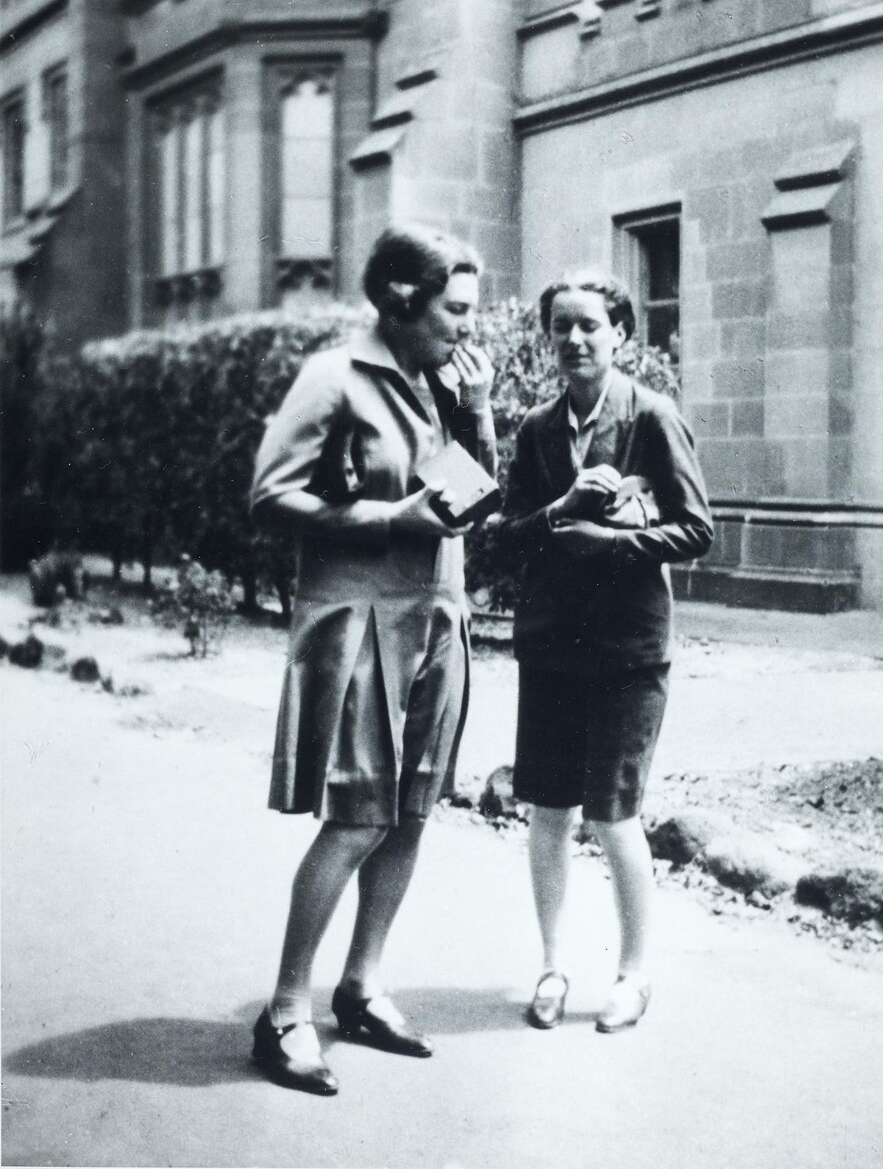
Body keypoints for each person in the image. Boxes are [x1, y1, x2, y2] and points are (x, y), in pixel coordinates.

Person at [249, 225, 496, 1095]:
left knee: (412, 808)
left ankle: (362, 986)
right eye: (455, 310)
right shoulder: (334, 376)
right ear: (401, 299)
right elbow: (271, 492)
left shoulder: (440, 383)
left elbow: (470, 499)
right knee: (358, 815)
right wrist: (389, 519)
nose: (468, 326)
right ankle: (284, 1011)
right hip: (361, 623)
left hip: (436, 616)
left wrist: (476, 413)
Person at [496, 272, 713, 1034]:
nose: (575, 340)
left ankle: (633, 974)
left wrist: (611, 542)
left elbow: (697, 529)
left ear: (621, 333)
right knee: (548, 812)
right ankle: (553, 966)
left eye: (590, 325)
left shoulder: (652, 416)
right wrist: (560, 516)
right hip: (553, 644)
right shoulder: (534, 429)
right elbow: (505, 534)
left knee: (614, 814)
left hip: (627, 649)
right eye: (561, 327)